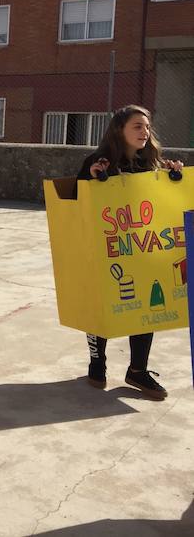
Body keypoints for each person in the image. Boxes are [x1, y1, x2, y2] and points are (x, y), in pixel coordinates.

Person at [77, 105, 183, 400]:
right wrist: (92, 178)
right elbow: (75, 203)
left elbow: (166, 205)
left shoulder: (153, 167)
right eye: (137, 126)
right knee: (102, 306)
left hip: (142, 251)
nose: (145, 132)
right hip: (104, 253)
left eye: (147, 127)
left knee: (146, 308)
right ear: (118, 130)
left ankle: (137, 370)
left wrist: (174, 178)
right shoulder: (97, 163)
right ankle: (97, 362)